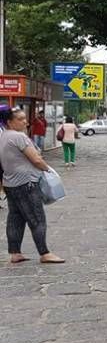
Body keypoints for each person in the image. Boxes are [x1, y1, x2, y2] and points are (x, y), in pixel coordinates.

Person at [2, 109, 64, 264]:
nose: (25, 122)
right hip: (27, 183)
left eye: (25, 118)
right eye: (20, 119)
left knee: (15, 218)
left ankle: (15, 253)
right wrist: (48, 170)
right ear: (9, 122)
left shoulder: (3, 136)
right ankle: (45, 253)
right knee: (37, 218)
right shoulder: (19, 137)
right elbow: (36, 159)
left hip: (10, 183)